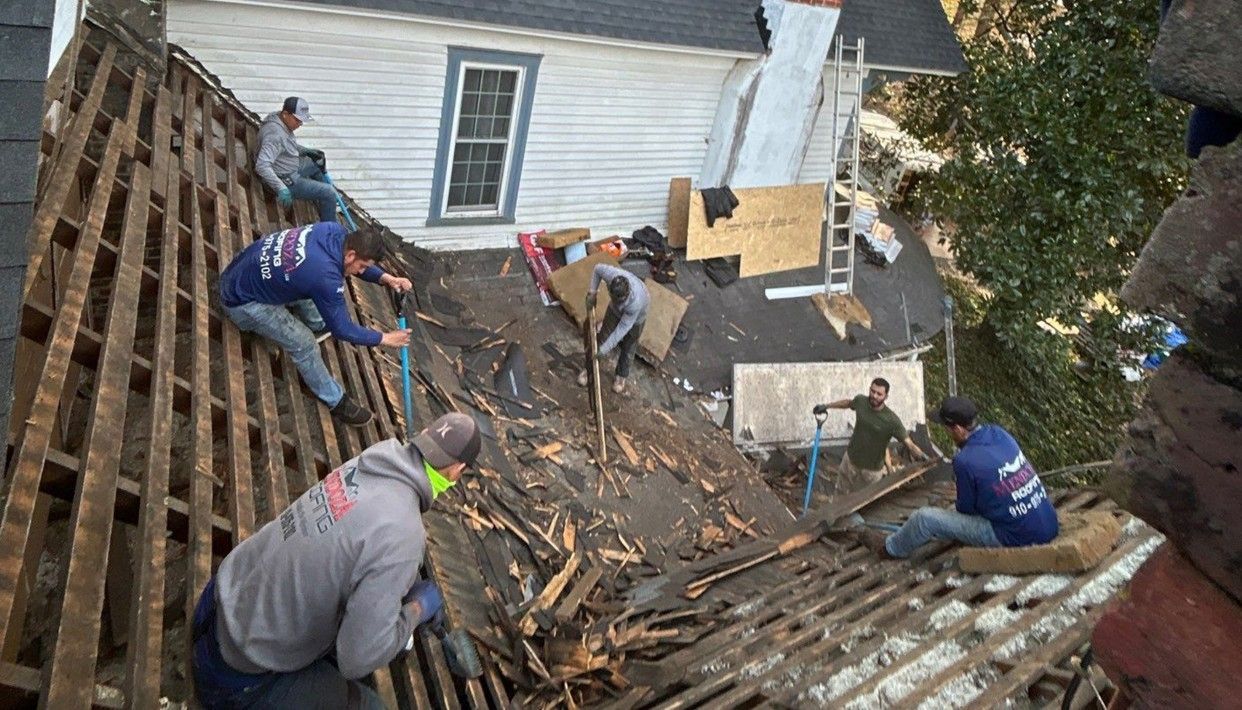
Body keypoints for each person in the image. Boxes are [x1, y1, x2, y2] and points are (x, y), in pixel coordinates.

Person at [192, 412, 482, 709]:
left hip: (219, 600)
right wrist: (416, 610)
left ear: (425, 433)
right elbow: (357, 660)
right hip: (235, 673)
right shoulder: (405, 535)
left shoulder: (378, 459)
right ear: (457, 470)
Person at [219, 222, 412, 426]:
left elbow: (338, 269)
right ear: (350, 255)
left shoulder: (333, 230)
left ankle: (317, 322)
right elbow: (342, 329)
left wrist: (386, 278)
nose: (362, 271)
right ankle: (336, 401)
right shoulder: (324, 275)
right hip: (242, 304)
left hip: (237, 273)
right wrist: (385, 339)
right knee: (304, 343)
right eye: (363, 267)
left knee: (310, 284)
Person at [859, 396, 1059, 559]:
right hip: (1047, 523)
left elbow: (966, 510)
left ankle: (889, 549)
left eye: (948, 429)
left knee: (925, 518)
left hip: (1014, 536)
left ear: (958, 429)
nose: (948, 433)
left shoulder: (965, 461)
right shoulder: (999, 433)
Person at [814, 377, 930, 490]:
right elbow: (848, 403)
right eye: (872, 391)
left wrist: (924, 458)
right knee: (840, 493)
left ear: (886, 396)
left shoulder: (891, 420)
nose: (874, 396)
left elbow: (909, 444)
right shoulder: (861, 401)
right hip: (850, 461)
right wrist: (827, 406)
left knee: (863, 503)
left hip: (871, 472)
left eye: (879, 394)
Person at [255, 96, 338, 222]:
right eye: (297, 120)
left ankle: (326, 203)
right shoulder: (274, 135)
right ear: (285, 114)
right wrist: (281, 188)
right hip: (285, 180)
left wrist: (304, 150)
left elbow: (285, 145)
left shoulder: (279, 119)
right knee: (329, 192)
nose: (300, 124)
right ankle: (330, 229)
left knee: (316, 162)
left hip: (290, 165)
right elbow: (262, 166)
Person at [577, 263, 649, 394]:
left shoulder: (635, 303)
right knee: (603, 336)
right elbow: (597, 268)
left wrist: (604, 350)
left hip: (637, 318)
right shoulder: (612, 276)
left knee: (629, 346)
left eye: (619, 301)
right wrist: (592, 293)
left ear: (626, 296)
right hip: (614, 311)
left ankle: (621, 376)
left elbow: (621, 330)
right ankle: (589, 369)